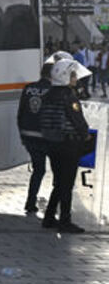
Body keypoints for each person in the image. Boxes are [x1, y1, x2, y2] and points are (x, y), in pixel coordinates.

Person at [39, 59, 93, 234]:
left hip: (52, 144)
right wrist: (86, 135)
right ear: (64, 76)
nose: (76, 78)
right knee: (67, 183)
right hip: (68, 144)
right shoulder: (68, 96)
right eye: (73, 75)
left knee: (59, 181)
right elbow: (78, 120)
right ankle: (65, 221)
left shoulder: (48, 94)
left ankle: (48, 217)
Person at [18, 58, 55, 215]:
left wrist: (22, 134)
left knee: (38, 170)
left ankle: (30, 201)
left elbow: (21, 112)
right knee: (57, 171)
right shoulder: (53, 91)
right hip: (47, 137)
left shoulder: (28, 88)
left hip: (29, 136)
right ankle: (55, 203)